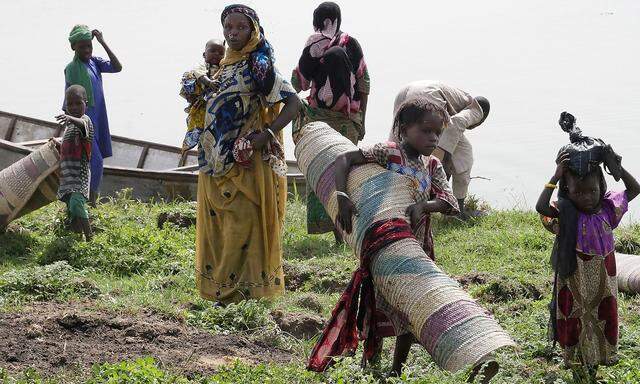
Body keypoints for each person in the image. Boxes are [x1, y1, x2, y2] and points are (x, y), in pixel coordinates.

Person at [333, 95, 496, 382]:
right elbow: (344, 159)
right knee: (379, 301)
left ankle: (397, 369)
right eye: (425, 130)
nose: (433, 137)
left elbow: (450, 204)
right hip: (385, 246)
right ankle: (370, 362)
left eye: (437, 131)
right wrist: (342, 196)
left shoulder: (432, 166)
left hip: (418, 246)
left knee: (410, 308)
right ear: (404, 128)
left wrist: (425, 205)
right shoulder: (388, 153)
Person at [195, 4, 301, 305]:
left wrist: (266, 134)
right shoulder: (222, 65)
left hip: (245, 161)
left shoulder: (259, 63)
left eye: (240, 27)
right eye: (228, 27)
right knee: (222, 225)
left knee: (242, 220)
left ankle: (239, 293)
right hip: (215, 159)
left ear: (253, 29)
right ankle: (224, 287)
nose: (233, 33)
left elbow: (293, 103)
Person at [536, 120, 639, 382]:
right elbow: (541, 208)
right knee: (576, 316)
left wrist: (615, 166)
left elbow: (635, 188)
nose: (586, 197)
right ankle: (578, 363)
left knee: (601, 317)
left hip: (604, 280)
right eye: (578, 192)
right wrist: (555, 176)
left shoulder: (608, 209)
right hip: (576, 278)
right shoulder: (566, 213)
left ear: (601, 188)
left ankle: (595, 364)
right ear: (568, 192)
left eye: (592, 190)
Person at [291, 2, 370, 241]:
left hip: (319, 121)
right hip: (349, 120)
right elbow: (364, 84)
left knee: (318, 171)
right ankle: (342, 232)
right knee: (346, 173)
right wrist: (362, 121)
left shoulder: (314, 45)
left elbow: (297, 84)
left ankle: (330, 227)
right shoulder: (351, 44)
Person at [392, 81, 489, 220]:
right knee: (465, 155)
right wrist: (444, 157)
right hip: (428, 96)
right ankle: (457, 212)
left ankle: (402, 199)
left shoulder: (461, 97)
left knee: (400, 141)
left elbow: (450, 127)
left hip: (405, 92)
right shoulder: (478, 110)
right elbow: (457, 123)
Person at [64, 25, 122, 205]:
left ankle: (89, 200)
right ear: (74, 47)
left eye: (89, 46)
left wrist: (103, 42)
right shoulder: (72, 69)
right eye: (82, 47)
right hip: (85, 122)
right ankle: (90, 202)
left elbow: (117, 67)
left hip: (99, 118)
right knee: (94, 161)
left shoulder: (94, 62)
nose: (87, 50)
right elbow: (69, 100)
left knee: (96, 160)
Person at [55, 85, 95, 241]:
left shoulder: (85, 121)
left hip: (79, 175)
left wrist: (70, 118)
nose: (74, 107)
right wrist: (57, 145)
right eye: (70, 104)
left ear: (86, 102)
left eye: (78, 103)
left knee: (77, 203)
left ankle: (90, 237)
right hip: (67, 176)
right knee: (72, 208)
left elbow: (83, 126)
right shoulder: (69, 127)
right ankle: (78, 239)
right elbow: (69, 146)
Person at [180, 39, 225, 152]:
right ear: (204, 54)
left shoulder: (223, 69)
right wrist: (209, 82)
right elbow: (198, 73)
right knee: (197, 124)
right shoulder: (202, 65)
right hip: (201, 101)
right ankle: (192, 137)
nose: (216, 54)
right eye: (212, 51)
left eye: (220, 53)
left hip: (214, 106)